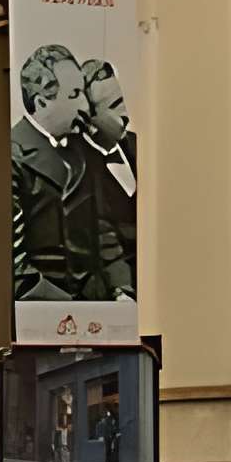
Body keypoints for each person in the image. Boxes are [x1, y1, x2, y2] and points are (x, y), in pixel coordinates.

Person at [11, 44, 92, 304]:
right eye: (75, 95)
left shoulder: (81, 151)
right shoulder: (13, 156)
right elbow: (14, 263)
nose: (85, 106)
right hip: (47, 313)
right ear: (42, 101)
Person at [77, 59, 137, 301]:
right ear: (90, 122)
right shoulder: (78, 170)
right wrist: (123, 292)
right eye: (114, 106)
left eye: (121, 100)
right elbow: (104, 241)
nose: (124, 113)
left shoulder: (141, 147)